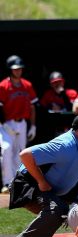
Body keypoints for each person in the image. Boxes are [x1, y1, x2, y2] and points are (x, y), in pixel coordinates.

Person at [0, 55, 38, 193]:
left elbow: (33, 106)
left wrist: (32, 125)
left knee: (21, 153)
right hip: (6, 123)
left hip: (22, 123)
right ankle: (6, 183)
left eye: (20, 69)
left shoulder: (27, 85)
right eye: (15, 69)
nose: (18, 71)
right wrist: (4, 125)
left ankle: (17, 183)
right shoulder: (3, 85)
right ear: (10, 69)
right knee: (7, 149)